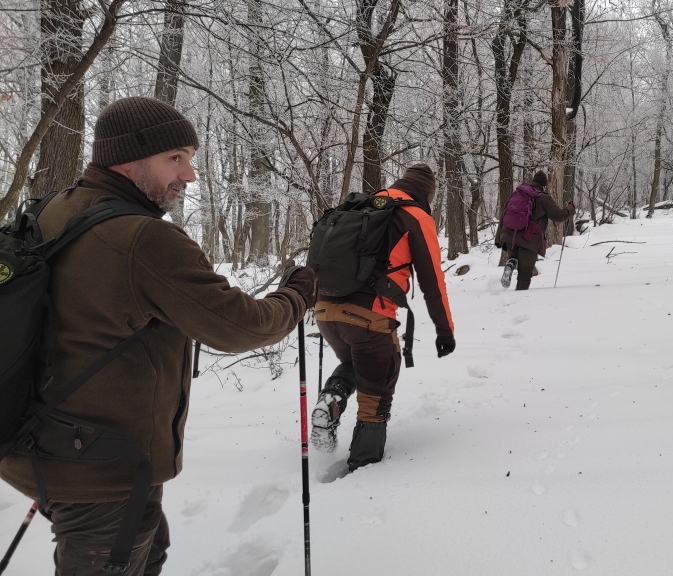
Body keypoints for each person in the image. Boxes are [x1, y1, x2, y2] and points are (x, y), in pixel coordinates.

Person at [0, 96, 317, 576]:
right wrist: (296, 297)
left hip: (41, 445)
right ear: (129, 160)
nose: (189, 175)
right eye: (176, 158)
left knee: (150, 549)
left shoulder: (51, 209)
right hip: (100, 469)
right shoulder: (143, 238)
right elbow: (239, 325)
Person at [310, 164, 455, 472]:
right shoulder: (415, 216)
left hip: (325, 310)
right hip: (369, 317)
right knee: (377, 391)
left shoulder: (362, 207)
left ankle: (332, 399)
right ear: (427, 194)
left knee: (357, 362)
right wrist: (445, 331)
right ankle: (364, 471)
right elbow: (433, 283)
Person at [497, 170, 576, 290]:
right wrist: (570, 209)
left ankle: (511, 263)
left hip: (509, 237)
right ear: (544, 185)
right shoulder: (543, 198)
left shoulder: (517, 193)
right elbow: (559, 216)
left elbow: (504, 215)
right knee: (525, 271)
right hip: (528, 239)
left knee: (516, 259)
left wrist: (499, 238)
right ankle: (520, 297)